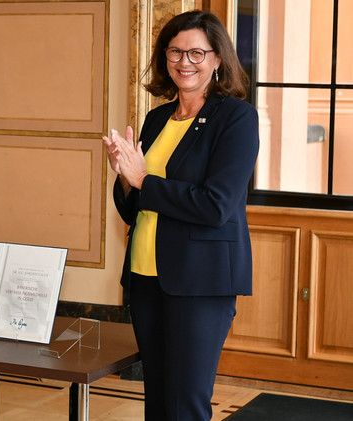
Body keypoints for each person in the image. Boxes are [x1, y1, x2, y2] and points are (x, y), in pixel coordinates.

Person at [103, 10, 259, 421]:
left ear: (218, 59)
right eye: (175, 52)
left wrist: (143, 180)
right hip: (145, 277)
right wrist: (124, 177)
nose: (184, 62)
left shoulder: (236, 118)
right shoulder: (157, 119)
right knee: (157, 399)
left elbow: (216, 205)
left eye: (196, 53)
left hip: (200, 281)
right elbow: (133, 207)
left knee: (186, 403)